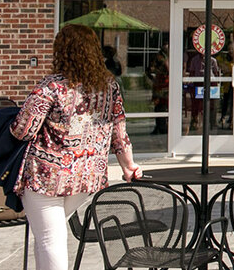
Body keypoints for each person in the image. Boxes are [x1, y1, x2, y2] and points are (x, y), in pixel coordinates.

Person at [10, 24, 142, 270]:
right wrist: (129, 165)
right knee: (48, 237)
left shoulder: (52, 86)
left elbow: (23, 129)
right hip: (87, 178)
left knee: (50, 240)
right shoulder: (109, 86)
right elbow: (120, 132)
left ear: (62, 51)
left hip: (46, 178)